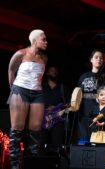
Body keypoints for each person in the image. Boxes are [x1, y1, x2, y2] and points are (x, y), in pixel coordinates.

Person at [7, 29, 47, 169]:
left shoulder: (44, 58)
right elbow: (11, 71)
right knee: (17, 129)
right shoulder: (21, 54)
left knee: (35, 129)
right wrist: (14, 91)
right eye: (44, 39)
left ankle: (31, 164)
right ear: (35, 40)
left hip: (37, 92)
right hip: (20, 90)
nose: (46, 42)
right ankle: (14, 166)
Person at [77, 49, 105, 144]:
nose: (99, 59)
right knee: (83, 141)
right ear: (91, 60)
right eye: (96, 57)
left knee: (96, 143)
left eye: (101, 58)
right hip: (84, 114)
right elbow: (77, 95)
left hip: (98, 114)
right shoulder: (83, 76)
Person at [42, 66, 71, 147]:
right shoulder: (41, 87)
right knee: (40, 144)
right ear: (47, 73)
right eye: (51, 70)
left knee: (57, 144)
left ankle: (58, 159)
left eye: (55, 71)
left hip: (57, 120)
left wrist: (57, 108)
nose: (54, 72)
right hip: (43, 119)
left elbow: (69, 104)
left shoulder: (62, 88)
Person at [89, 86, 105, 169]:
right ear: (97, 97)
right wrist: (93, 119)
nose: (103, 97)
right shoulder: (94, 108)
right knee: (94, 151)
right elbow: (88, 118)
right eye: (101, 95)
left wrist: (104, 123)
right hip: (95, 134)